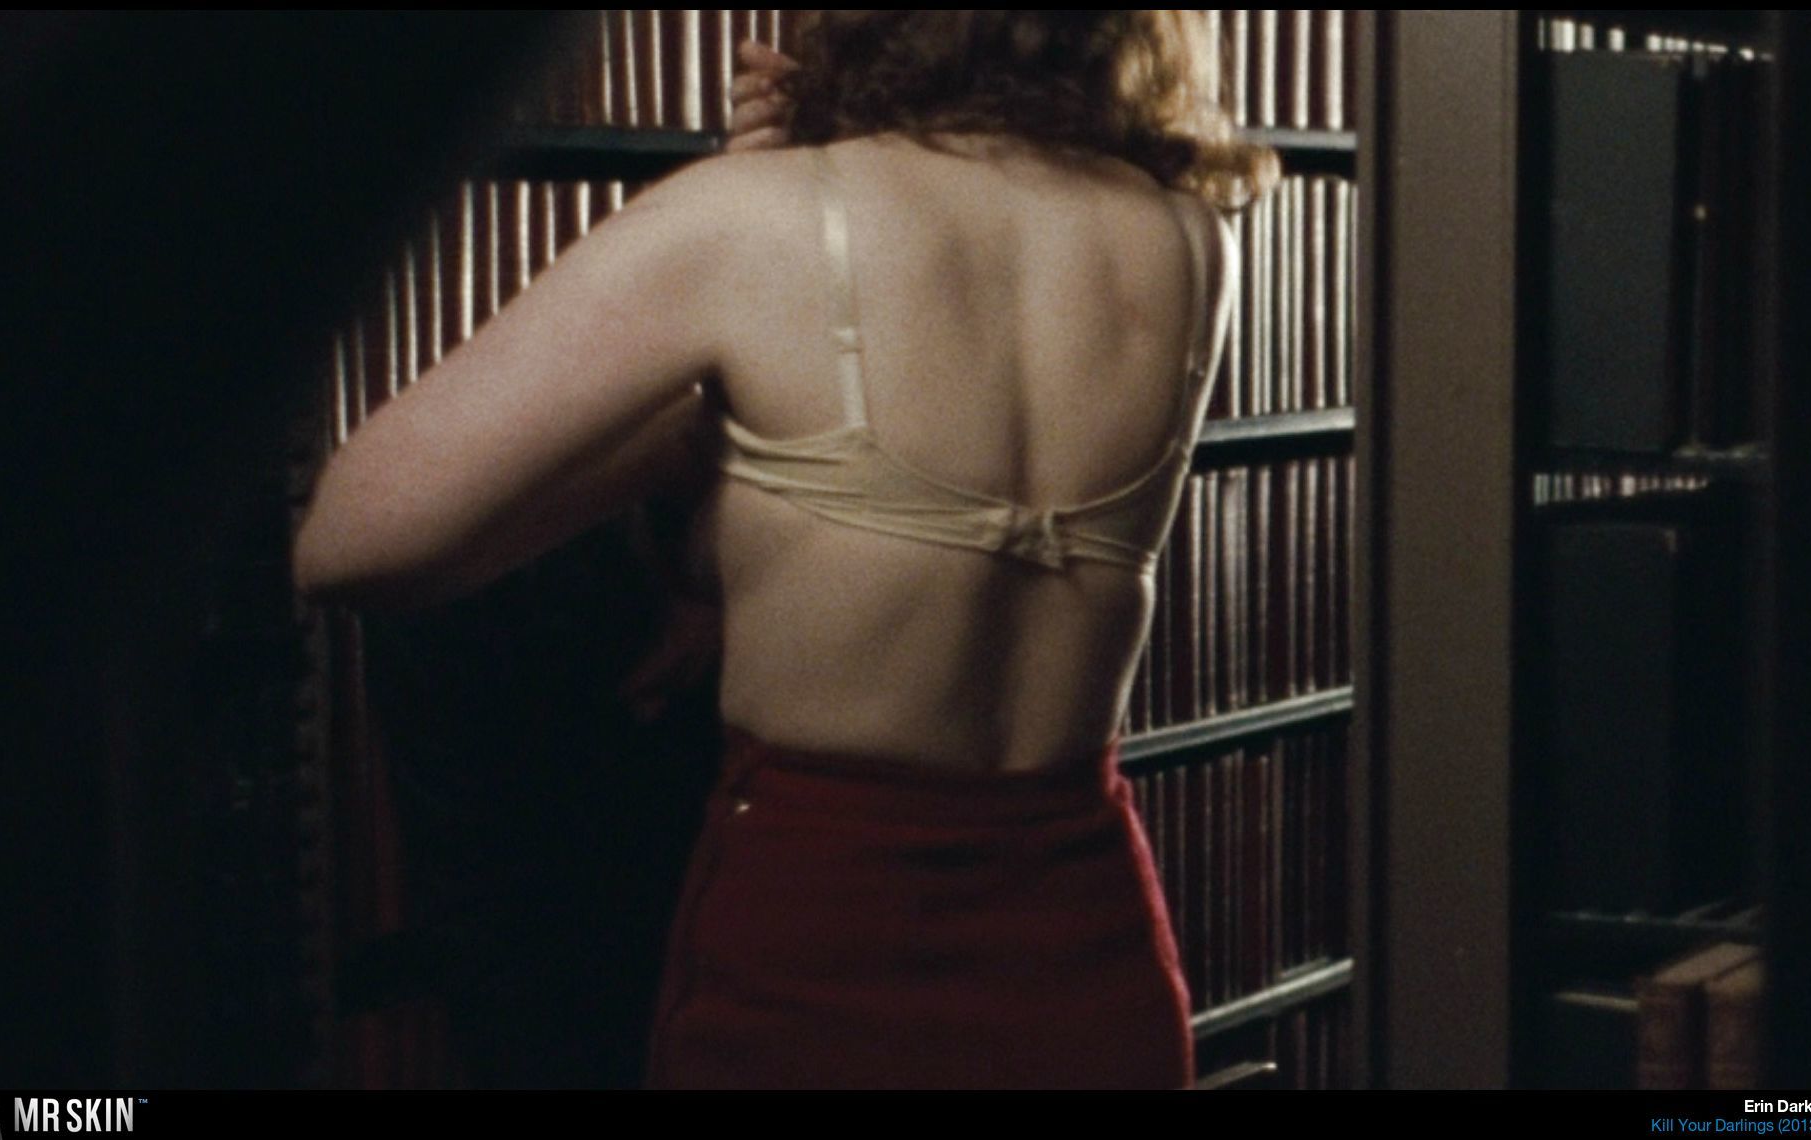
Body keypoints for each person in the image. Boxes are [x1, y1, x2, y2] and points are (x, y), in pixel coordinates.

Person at [294, 11, 1272, 1089]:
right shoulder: (1189, 238)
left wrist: (691, 427)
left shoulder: (751, 222)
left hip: (818, 955)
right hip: (1090, 962)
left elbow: (350, 539)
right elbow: (880, 526)